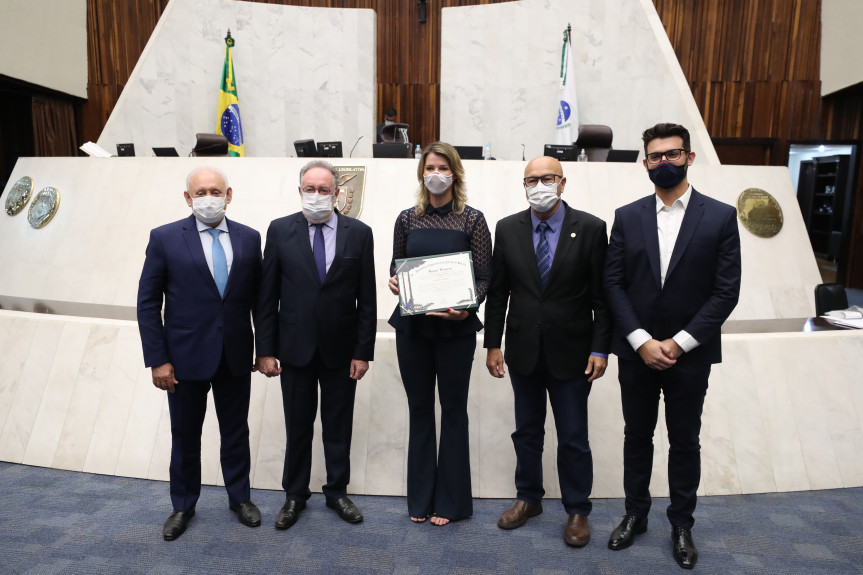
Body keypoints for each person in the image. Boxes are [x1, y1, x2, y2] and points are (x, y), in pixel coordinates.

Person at [603, 123, 741, 570]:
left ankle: (681, 524)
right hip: (636, 354)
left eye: (673, 154)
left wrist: (679, 344)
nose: (664, 162)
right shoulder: (626, 216)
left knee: (684, 442)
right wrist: (641, 341)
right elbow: (613, 284)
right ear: (645, 163)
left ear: (689, 158)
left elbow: (725, 292)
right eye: (656, 156)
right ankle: (635, 515)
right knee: (636, 437)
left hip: (690, 355)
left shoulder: (719, 216)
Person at [484, 155, 611, 547]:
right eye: (531, 180)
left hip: (573, 352)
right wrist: (492, 344)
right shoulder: (507, 228)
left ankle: (577, 510)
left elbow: (602, 298)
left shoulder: (590, 228)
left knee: (573, 436)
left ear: (563, 182)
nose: (539, 186)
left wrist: (601, 349)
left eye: (547, 178)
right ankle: (528, 498)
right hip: (523, 349)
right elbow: (498, 291)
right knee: (526, 432)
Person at [137, 166, 262, 541]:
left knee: (236, 432)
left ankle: (240, 498)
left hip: (236, 354)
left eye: (216, 190)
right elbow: (147, 303)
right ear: (188, 198)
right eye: (201, 192)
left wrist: (267, 348)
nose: (209, 197)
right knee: (186, 435)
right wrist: (157, 359)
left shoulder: (250, 238)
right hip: (184, 357)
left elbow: (259, 300)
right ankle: (183, 505)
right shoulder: (164, 238)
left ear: (229, 194)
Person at [255, 159, 376, 530]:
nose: (318, 195)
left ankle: (337, 492)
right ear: (300, 191)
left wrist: (362, 351)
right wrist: (265, 349)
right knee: (298, 426)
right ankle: (294, 496)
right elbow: (267, 295)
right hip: (294, 348)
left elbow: (367, 299)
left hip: (342, 352)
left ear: (337, 192)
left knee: (338, 424)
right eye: (311, 189)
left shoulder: (359, 232)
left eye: (325, 190)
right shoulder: (279, 230)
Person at [388, 141, 491, 526]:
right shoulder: (406, 219)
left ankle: (450, 502)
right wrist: (396, 284)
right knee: (419, 410)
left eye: (443, 168)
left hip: (456, 331)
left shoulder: (472, 220)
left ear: (455, 174)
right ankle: (420, 499)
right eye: (430, 167)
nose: (436, 174)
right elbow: (396, 270)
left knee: (453, 411)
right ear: (422, 173)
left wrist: (466, 307)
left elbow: (484, 278)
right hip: (413, 328)